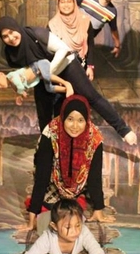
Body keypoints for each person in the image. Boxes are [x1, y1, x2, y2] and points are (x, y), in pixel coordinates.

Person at [0, 16, 137, 145]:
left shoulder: (36, 33)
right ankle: (46, 141)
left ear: (16, 27)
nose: (11, 38)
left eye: (11, 32)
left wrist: (49, 71)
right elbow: (27, 71)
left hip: (65, 64)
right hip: (44, 75)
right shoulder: (10, 54)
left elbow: (63, 49)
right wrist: (22, 89)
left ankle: (123, 130)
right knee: (43, 107)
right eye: (5, 36)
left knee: (91, 96)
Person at [23, 95, 116, 235]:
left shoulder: (94, 138)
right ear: (63, 118)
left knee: (73, 215)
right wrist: (32, 217)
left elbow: (94, 176)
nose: (75, 126)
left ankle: (79, 199)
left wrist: (98, 209)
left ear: (86, 120)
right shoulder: (50, 134)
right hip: (53, 183)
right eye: (70, 119)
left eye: (80, 120)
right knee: (49, 220)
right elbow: (42, 176)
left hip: (80, 185)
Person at [33, 0, 124, 77]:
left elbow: (113, 30)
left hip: (83, 44)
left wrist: (117, 46)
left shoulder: (112, 12)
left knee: (77, 72)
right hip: (68, 35)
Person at [0, 59, 74, 106]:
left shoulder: (11, 76)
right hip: (38, 76)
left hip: (38, 66)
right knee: (49, 88)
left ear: (1, 74)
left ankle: (66, 83)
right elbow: (21, 90)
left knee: (46, 76)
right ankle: (66, 90)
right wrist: (20, 97)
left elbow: (20, 86)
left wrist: (20, 93)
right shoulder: (12, 85)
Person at [47, 0, 92, 79]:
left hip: (80, 66)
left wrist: (90, 67)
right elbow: (49, 51)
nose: (66, 5)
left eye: (69, 1)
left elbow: (91, 45)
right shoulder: (52, 25)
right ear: (58, 4)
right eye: (62, 2)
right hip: (60, 68)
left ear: (74, 3)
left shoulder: (85, 21)